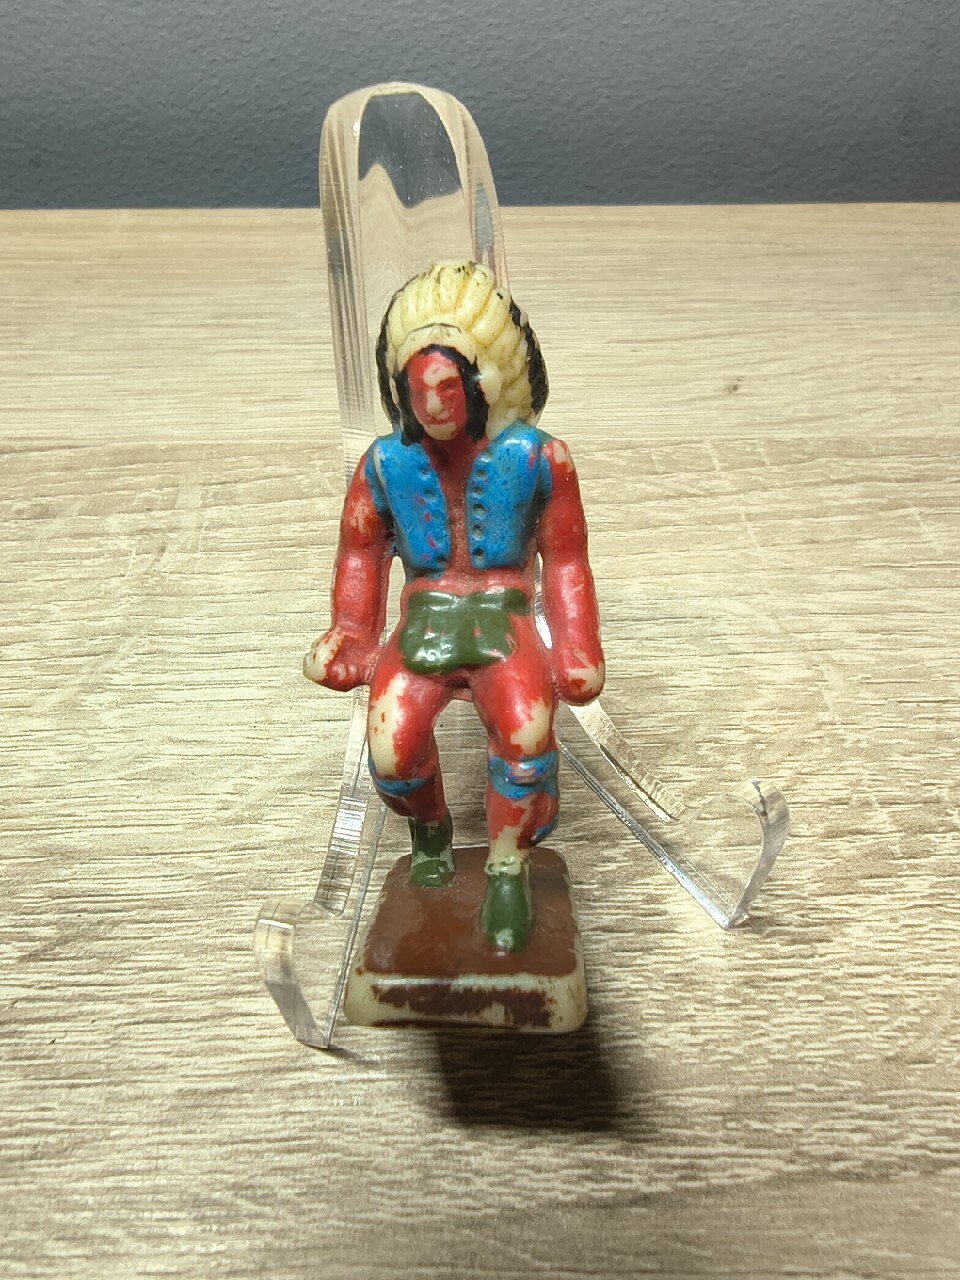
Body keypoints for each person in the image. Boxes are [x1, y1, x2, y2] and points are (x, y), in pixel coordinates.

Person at [304, 261, 604, 951]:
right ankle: (429, 831)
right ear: (400, 393)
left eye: (447, 386)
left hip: (505, 621)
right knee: (392, 749)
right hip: (424, 623)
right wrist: (351, 632)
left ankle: (507, 866)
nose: (435, 404)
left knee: (526, 738)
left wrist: (577, 645)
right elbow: (360, 552)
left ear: (481, 383)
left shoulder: (541, 459)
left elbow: (565, 559)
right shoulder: (384, 465)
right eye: (419, 390)